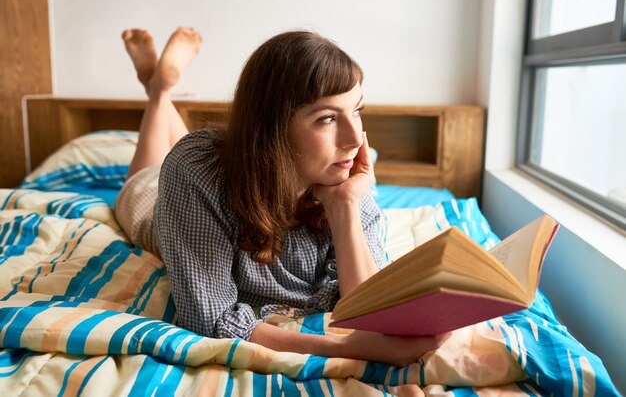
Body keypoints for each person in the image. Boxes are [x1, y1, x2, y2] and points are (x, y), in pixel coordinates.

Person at [115, 27, 447, 367]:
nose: (353, 139)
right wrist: (348, 349)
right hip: (159, 206)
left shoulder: (343, 174)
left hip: (244, 167)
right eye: (328, 118)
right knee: (147, 173)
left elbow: (372, 308)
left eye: (357, 111)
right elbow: (210, 321)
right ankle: (158, 91)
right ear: (273, 127)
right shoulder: (194, 170)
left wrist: (344, 205)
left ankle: (159, 87)